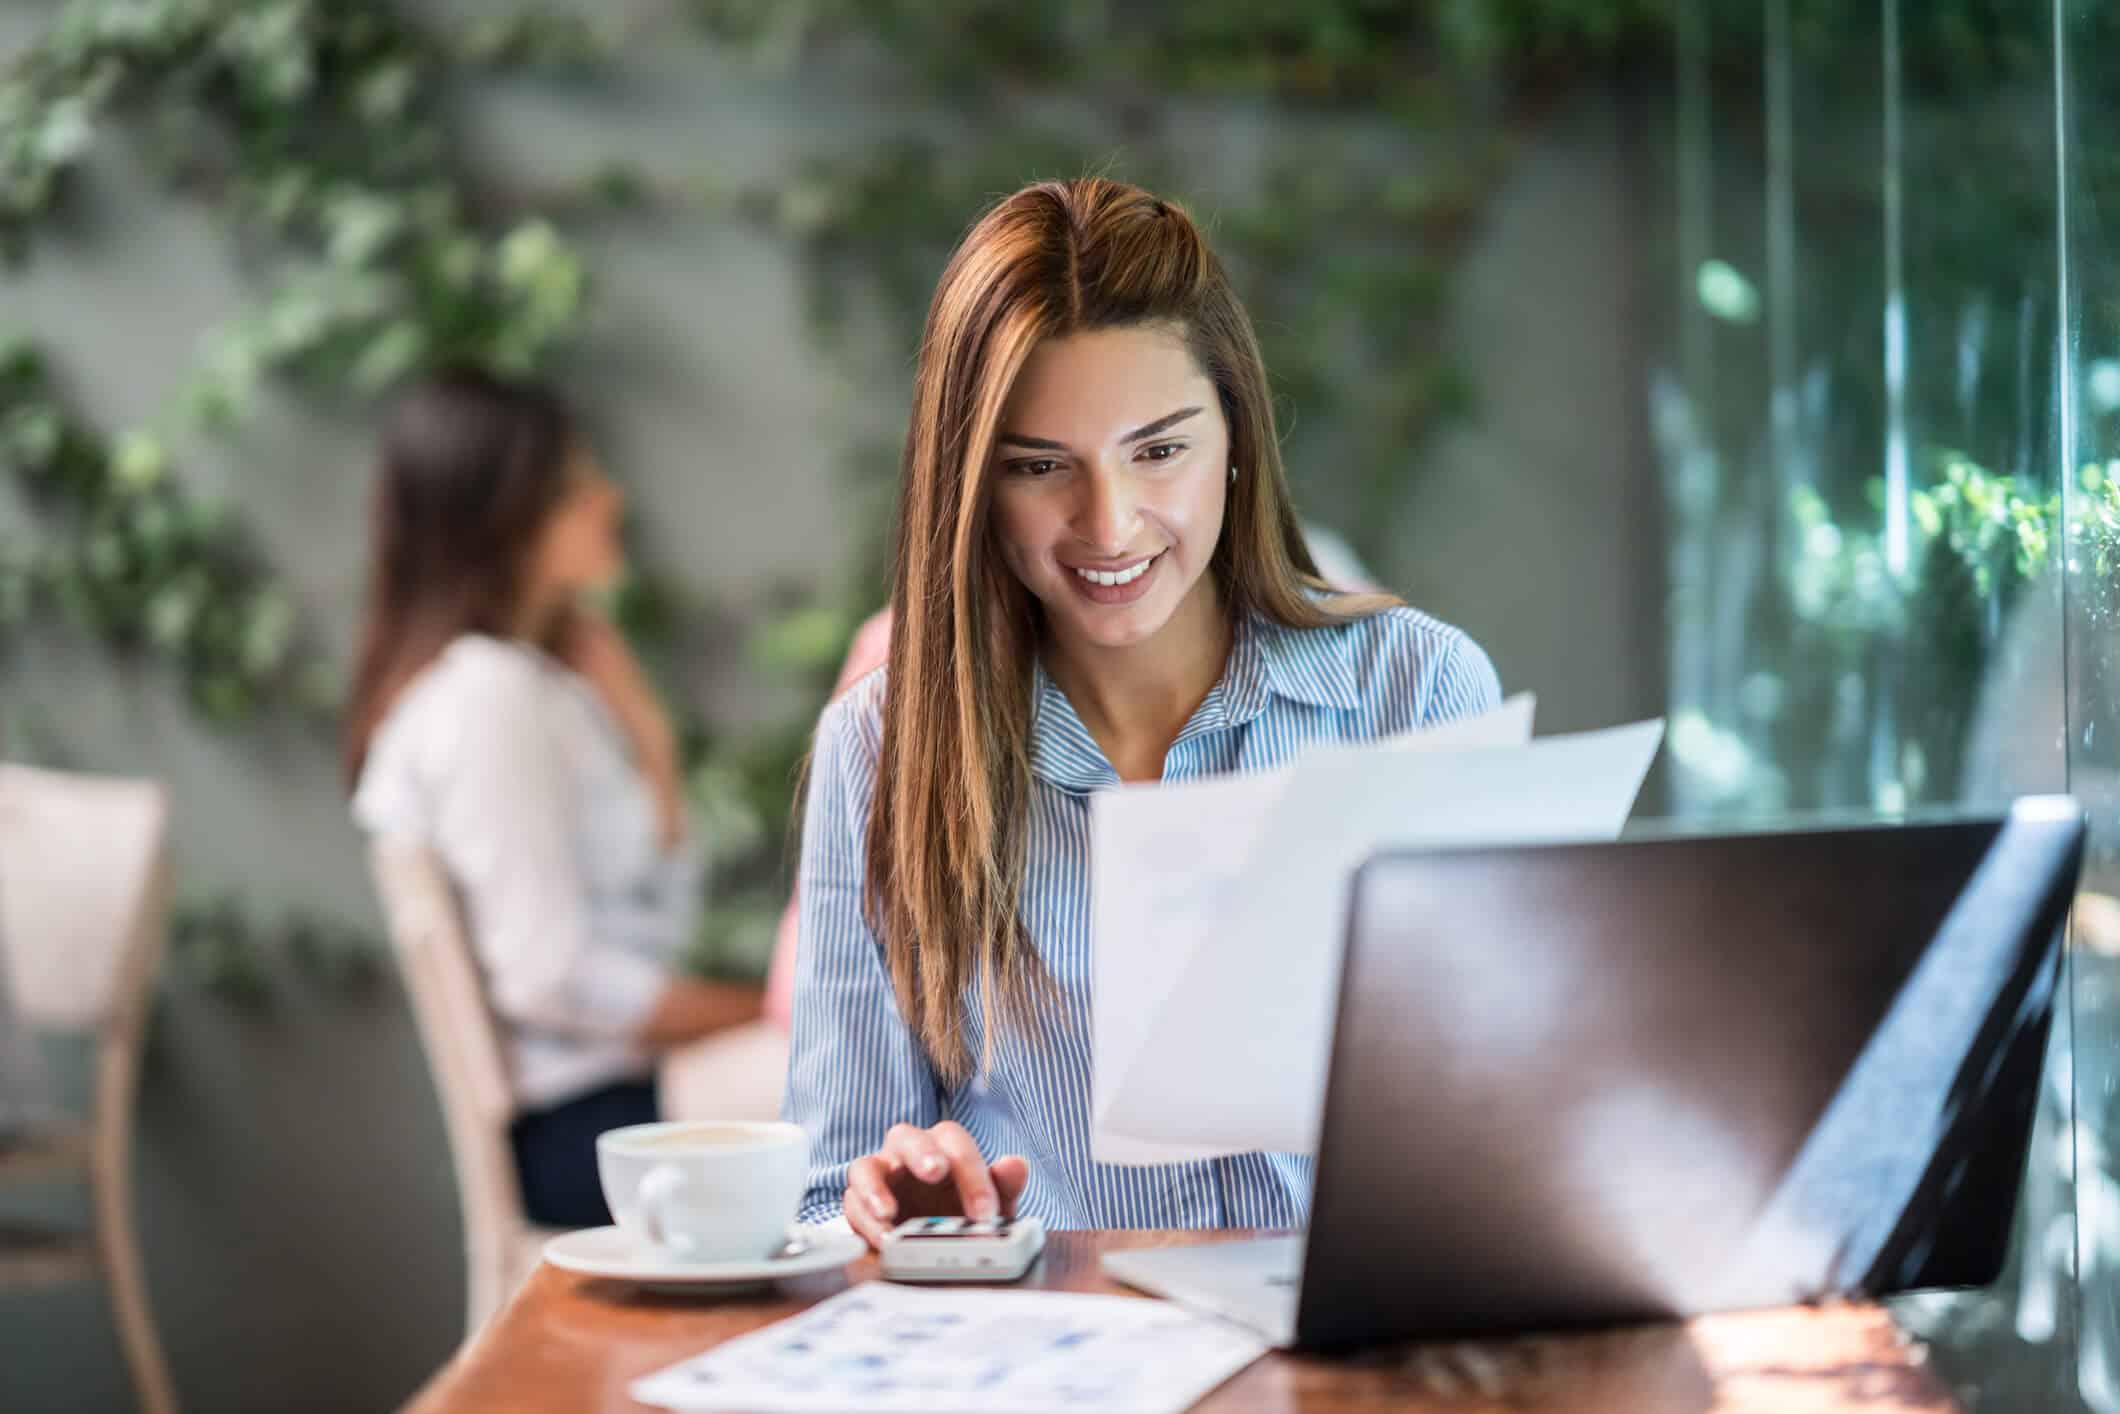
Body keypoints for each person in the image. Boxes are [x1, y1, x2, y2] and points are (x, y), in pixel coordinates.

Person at [783, 177, 1502, 1248]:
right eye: (1039, 468)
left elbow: (1513, 1126)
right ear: (972, 486)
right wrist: (894, 1193)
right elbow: (827, 1190)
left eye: (1157, 450)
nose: (1107, 526)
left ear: (1235, 440)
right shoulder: (879, 751)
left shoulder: (1416, 694)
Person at [346, 368, 761, 1228]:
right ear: (502, 518)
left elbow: (652, 925)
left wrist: (648, 738)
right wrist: (760, 1011)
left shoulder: (536, 691)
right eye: (576, 483)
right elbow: (548, 973)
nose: (610, 498)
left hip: (620, 1098)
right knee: (870, 1081)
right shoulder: (486, 701)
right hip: (588, 1131)